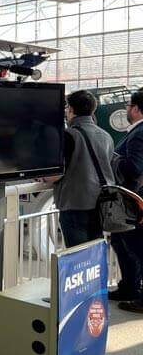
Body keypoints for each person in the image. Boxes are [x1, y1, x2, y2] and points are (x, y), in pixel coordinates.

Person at [51, 90, 115, 248]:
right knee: (94, 256)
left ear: (71, 110)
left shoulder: (69, 135)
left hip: (75, 205)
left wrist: (44, 178)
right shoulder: (106, 136)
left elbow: (57, 174)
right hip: (102, 204)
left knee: (78, 257)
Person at [113, 90, 143, 310]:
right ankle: (129, 287)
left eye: (128, 105)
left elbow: (135, 167)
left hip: (133, 202)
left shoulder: (139, 133)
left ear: (136, 108)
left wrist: (113, 159)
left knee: (136, 248)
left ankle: (137, 294)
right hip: (132, 202)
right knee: (124, 245)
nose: (126, 109)